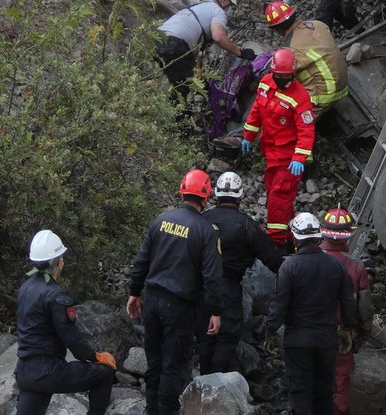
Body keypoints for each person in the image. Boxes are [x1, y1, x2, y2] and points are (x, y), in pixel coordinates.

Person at [127, 170, 224, 415]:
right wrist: (215, 310)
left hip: (152, 300)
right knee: (173, 365)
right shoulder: (206, 230)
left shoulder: (161, 220)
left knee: (155, 362)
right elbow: (212, 277)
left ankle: (152, 409)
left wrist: (134, 292)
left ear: (182, 191)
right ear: (206, 196)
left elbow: (142, 261)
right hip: (179, 307)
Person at [15, 230, 116, 415]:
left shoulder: (25, 289)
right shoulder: (56, 295)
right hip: (48, 372)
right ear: (58, 262)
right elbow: (70, 337)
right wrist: (96, 356)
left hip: (24, 372)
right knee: (104, 374)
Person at [268, 213, 357, 415]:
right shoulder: (335, 265)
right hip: (326, 339)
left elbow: (279, 304)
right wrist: (347, 329)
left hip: (297, 341)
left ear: (295, 238)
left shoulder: (288, 266)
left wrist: (270, 331)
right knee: (324, 393)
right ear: (318, 237)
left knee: (301, 393)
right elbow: (347, 302)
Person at [198, 171, 285, 375]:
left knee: (205, 334)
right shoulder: (246, 224)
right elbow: (271, 257)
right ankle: (216, 381)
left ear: (216, 195)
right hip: (228, 287)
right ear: (239, 197)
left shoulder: (202, 220)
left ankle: (203, 381)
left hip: (201, 287)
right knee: (227, 335)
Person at [241, 49, 317, 246]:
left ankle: (276, 241)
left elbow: (306, 131)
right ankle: (293, 237)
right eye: (279, 76)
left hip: (288, 159)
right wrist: (248, 135)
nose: (283, 80)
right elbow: (257, 109)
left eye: (287, 77)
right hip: (270, 153)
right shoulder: (266, 83)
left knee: (278, 198)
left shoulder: (300, 97)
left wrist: (299, 158)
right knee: (279, 198)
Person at [155, 0, 256, 106]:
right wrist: (240, 53)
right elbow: (219, 37)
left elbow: (194, 55)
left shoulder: (198, 6)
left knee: (177, 83)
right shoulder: (217, 11)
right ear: (224, 0)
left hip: (157, 40)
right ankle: (178, 123)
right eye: (230, 5)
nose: (228, 9)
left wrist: (203, 82)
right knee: (185, 91)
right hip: (175, 44)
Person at [319, 208, 375, 415]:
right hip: (340, 337)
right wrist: (364, 333)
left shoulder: (303, 261)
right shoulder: (356, 267)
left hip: (307, 333)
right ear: (348, 237)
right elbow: (365, 308)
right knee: (340, 380)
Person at [265, 0, 349, 115]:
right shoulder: (318, 24)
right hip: (343, 83)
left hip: (325, 95)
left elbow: (281, 81)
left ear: (277, 29)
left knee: (283, 122)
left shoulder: (290, 49)